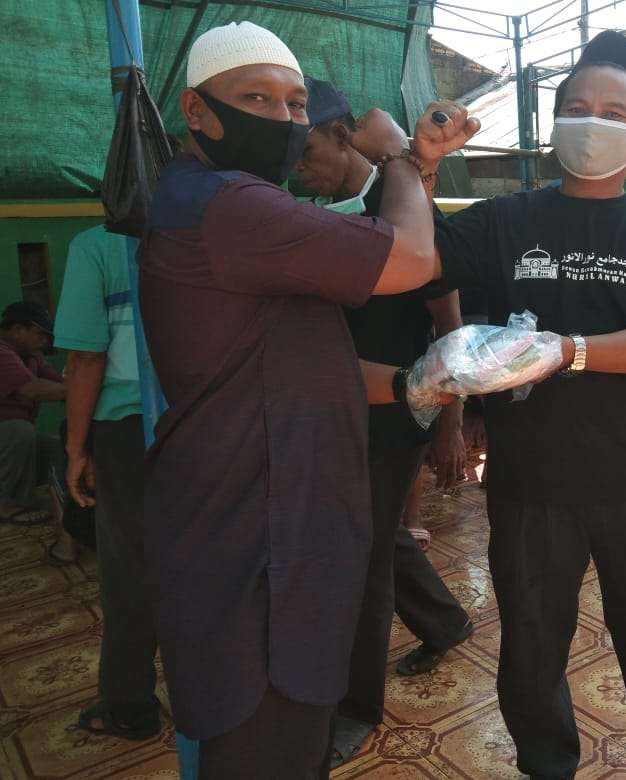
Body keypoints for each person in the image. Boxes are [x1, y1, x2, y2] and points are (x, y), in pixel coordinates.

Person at [136, 21, 477, 779]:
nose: (283, 118)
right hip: (254, 530)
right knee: (260, 734)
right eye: (257, 98)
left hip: (284, 517)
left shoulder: (229, 206)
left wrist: (412, 385)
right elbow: (411, 257)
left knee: (289, 730)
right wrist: (399, 157)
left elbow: (293, 355)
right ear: (196, 110)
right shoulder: (230, 205)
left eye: (295, 104)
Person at [433, 30, 626, 779]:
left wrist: (568, 350)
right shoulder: (503, 221)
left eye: (613, 113)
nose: (594, 123)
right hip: (530, 484)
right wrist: (420, 163)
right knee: (530, 653)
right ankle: (546, 765)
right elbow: (417, 259)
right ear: (554, 123)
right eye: (578, 109)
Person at [294, 78, 474, 766]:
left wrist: (451, 423)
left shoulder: (404, 211)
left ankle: (356, 707)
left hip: (397, 412)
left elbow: (449, 324)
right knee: (375, 537)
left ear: (343, 136)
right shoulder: (313, 212)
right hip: (335, 409)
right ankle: (445, 622)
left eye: (307, 150)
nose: (298, 168)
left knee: (362, 557)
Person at [54, 224, 161, 740]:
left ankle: (128, 705)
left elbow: (86, 357)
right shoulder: (214, 229)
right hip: (210, 424)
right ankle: (221, 696)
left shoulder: (97, 247)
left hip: (130, 432)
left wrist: (77, 448)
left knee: (130, 569)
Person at [0, 302, 67, 535]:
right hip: (11, 436)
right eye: (41, 334)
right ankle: (7, 504)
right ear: (18, 329)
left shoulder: (31, 356)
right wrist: (83, 390)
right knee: (20, 431)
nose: (46, 341)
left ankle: (32, 501)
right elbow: (31, 389)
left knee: (56, 447)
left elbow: (58, 383)